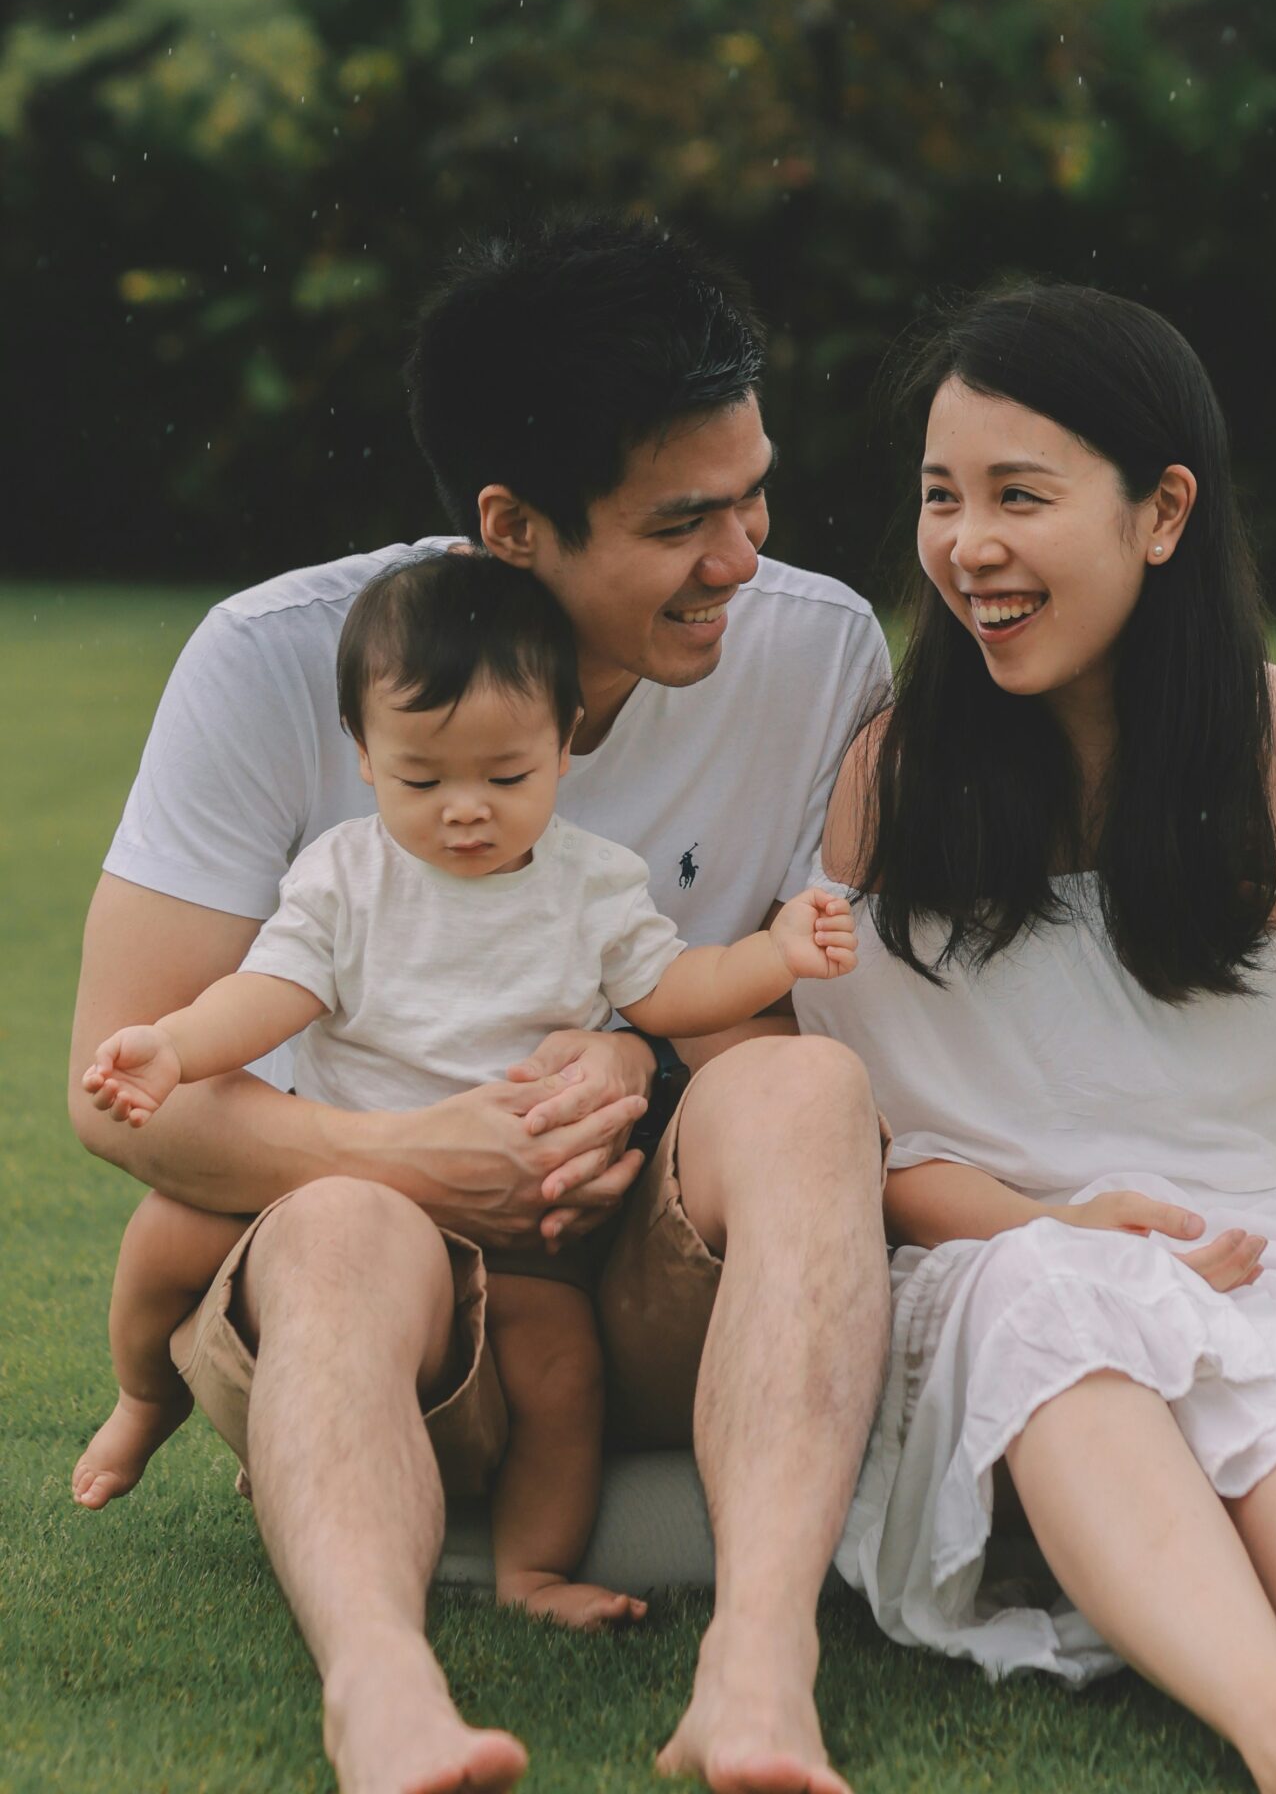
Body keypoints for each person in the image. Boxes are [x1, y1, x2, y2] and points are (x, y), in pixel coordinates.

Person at [67, 217, 892, 1794]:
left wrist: (628, 1046)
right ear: (511, 525)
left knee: (808, 1098)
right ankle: (381, 1698)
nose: (742, 559)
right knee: (339, 1225)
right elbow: (131, 1088)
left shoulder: (817, 649)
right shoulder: (273, 661)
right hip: (376, 1313)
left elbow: (802, 1028)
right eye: (682, 523)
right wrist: (405, 1159)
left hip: (622, 1288)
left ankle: (759, 1666)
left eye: (753, 496)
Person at [799, 282, 1276, 1794]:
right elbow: (867, 1149)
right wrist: (1056, 1218)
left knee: (1261, 1336)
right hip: (993, 1259)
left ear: (1162, 512)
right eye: (939, 497)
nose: (968, 547)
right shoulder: (897, 780)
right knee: (1056, 1299)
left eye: (1018, 496)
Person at [76, 550, 860, 1636]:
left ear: (562, 747)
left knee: (562, 1372)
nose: (464, 812)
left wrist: (774, 955)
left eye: (505, 777)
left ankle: (530, 1569)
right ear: (361, 755)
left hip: (531, 1236)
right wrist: (172, 1044)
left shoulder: (590, 886)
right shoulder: (345, 881)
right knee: (163, 1236)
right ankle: (143, 1401)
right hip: (361, 1204)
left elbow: (676, 989)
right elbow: (268, 993)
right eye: (422, 779)